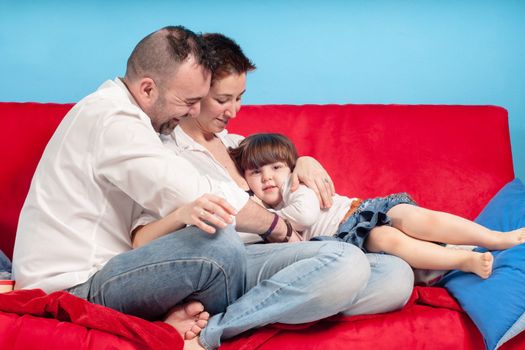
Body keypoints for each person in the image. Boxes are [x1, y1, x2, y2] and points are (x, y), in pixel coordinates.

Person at [11, 27, 413, 350]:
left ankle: (284, 300)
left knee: (391, 274)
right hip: (83, 282)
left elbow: (270, 165)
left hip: (230, 266)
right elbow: (183, 197)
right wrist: (279, 229)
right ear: (149, 89)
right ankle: (219, 330)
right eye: (197, 100)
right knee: (224, 242)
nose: (196, 109)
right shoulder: (122, 125)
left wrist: (301, 160)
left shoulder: (225, 142)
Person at [135, 33, 415, 349]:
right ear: (196, 93)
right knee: (348, 263)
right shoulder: (168, 154)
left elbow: (276, 171)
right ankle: (213, 332)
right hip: (235, 260)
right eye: (223, 100)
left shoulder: (235, 144)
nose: (233, 111)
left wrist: (303, 162)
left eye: (239, 98)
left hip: (286, 251)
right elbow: (143, 237)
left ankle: (275, 307)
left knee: (396, 276)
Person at [229, 133, 525, 279]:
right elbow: (243, 233)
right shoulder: (255, 206)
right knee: (388, 239)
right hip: (347, 239)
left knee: (411, 216)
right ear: (245, 177)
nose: (267, 177)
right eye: (256, 172)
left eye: (276, 168)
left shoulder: (297, 185)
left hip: (362, 210)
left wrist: (268, 220)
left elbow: (305, 215)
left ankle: (494, 237)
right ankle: (464, 262)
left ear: (290, 168)